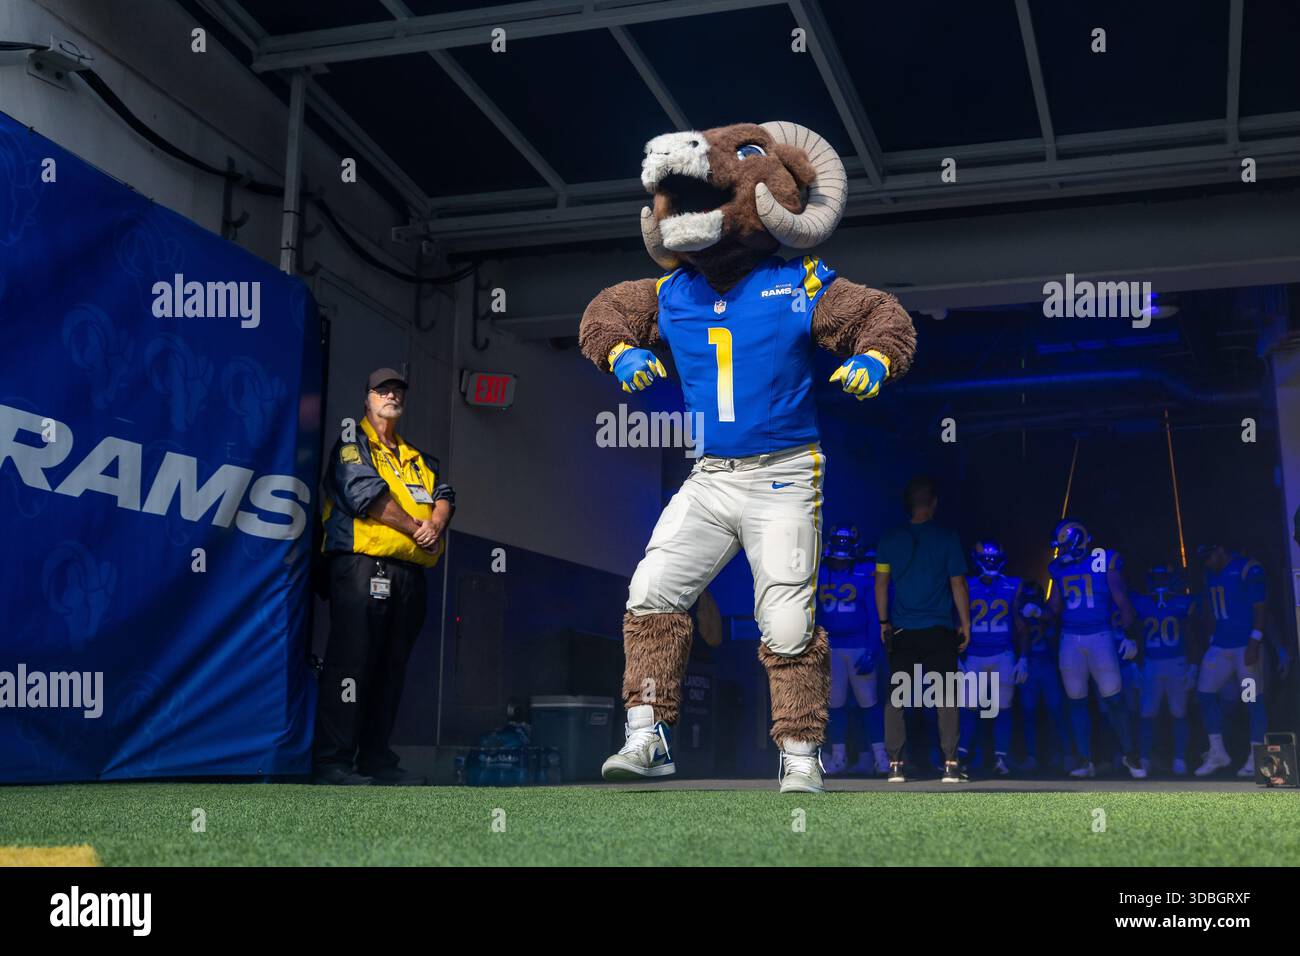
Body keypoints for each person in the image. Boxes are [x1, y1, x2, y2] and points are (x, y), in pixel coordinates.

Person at [313, 367, 455, 785]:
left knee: (392, 669)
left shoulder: (417, 458)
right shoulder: (351, 444)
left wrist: (438, 523)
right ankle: (333, 763)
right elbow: (365, 496)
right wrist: (418, 528)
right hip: (361, 569)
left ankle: (376, 760)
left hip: (410, 576)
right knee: (351, 666)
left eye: (397, 391)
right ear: (367, 398)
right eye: (382, 390)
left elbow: (444, 494)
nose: (391, 396)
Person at [875, 476, 970, 783]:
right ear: (934, 504)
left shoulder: (889, 539)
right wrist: (966, 624)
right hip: (939, 630)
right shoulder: (947, 538)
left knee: (898, 698)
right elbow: (958, 584)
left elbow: (881, 583)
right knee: (945, 697)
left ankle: (895, 766)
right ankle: (951, 763)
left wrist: (883, 622)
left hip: (902, 630)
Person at [1044, 519, 1146, 779]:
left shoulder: (1105, 559)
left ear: (1077, 541)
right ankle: (1084, 760)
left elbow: (1121, 599)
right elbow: (1054, 607)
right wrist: (1036, 611)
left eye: (1066, 546)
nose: (1062, 552)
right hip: (1070, 638)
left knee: (1114, 699)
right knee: (1076, 700)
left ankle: (1130, 755)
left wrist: (1128, 635)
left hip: (1100, 635)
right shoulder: (1058, 568)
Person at [818, 523, 889, 776]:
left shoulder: (864, 572)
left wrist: (873, 649)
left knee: (869, 703)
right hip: (831, 647)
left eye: (846, 543)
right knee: (835, 704)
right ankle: (838, 756)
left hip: (859, 646)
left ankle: (881, 756)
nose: (842, 547)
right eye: (839, 541)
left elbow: (873, 614)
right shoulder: (819, 571)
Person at [1194, 543, 1269, 777]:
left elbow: (1261, 608)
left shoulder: (1247, 568)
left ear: (1219, 550)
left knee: (1252, 700)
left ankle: (1257, 756)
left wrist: (1254, 641)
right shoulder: (1210, 573)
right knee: (1204, 694)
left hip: (1243, 647)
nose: (1206, 563)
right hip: (1221, 645)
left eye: (1208, 556)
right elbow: (1211, 607)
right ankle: (1218, 752)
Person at [958, 540, 1026, 776]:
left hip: (1003, 654)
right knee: (968, 709)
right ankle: (963, 757)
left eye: (994, 559)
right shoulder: (966, 585)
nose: (990, 563)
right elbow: (956, 621)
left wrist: (1023, 656)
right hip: (974, 655)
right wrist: (955, 656)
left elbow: (1020, 624)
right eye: (986, 559)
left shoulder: (1013, 585)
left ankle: (1000, 758)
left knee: (1002, 709)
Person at [1132, 564, 1198, 775]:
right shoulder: (1179, 602)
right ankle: (1147, 758)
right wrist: (1136, 664)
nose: (1160, 583)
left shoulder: (1177, 603)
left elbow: (1190, 635)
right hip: (1157, 663)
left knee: (1176, 713)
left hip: (1171, 662)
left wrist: (1193, 664)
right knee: (1149, 713)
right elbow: (1137, 635)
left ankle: (1177, 758)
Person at [1017, 581, 1068, 772]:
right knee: (1028, 713)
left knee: (1056, 712)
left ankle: (1061, 754)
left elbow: (1056, 636)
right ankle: (1031, 755)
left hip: (1047, 665)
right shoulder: (1019, 613)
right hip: (1028, 665)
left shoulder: (1049, 613)